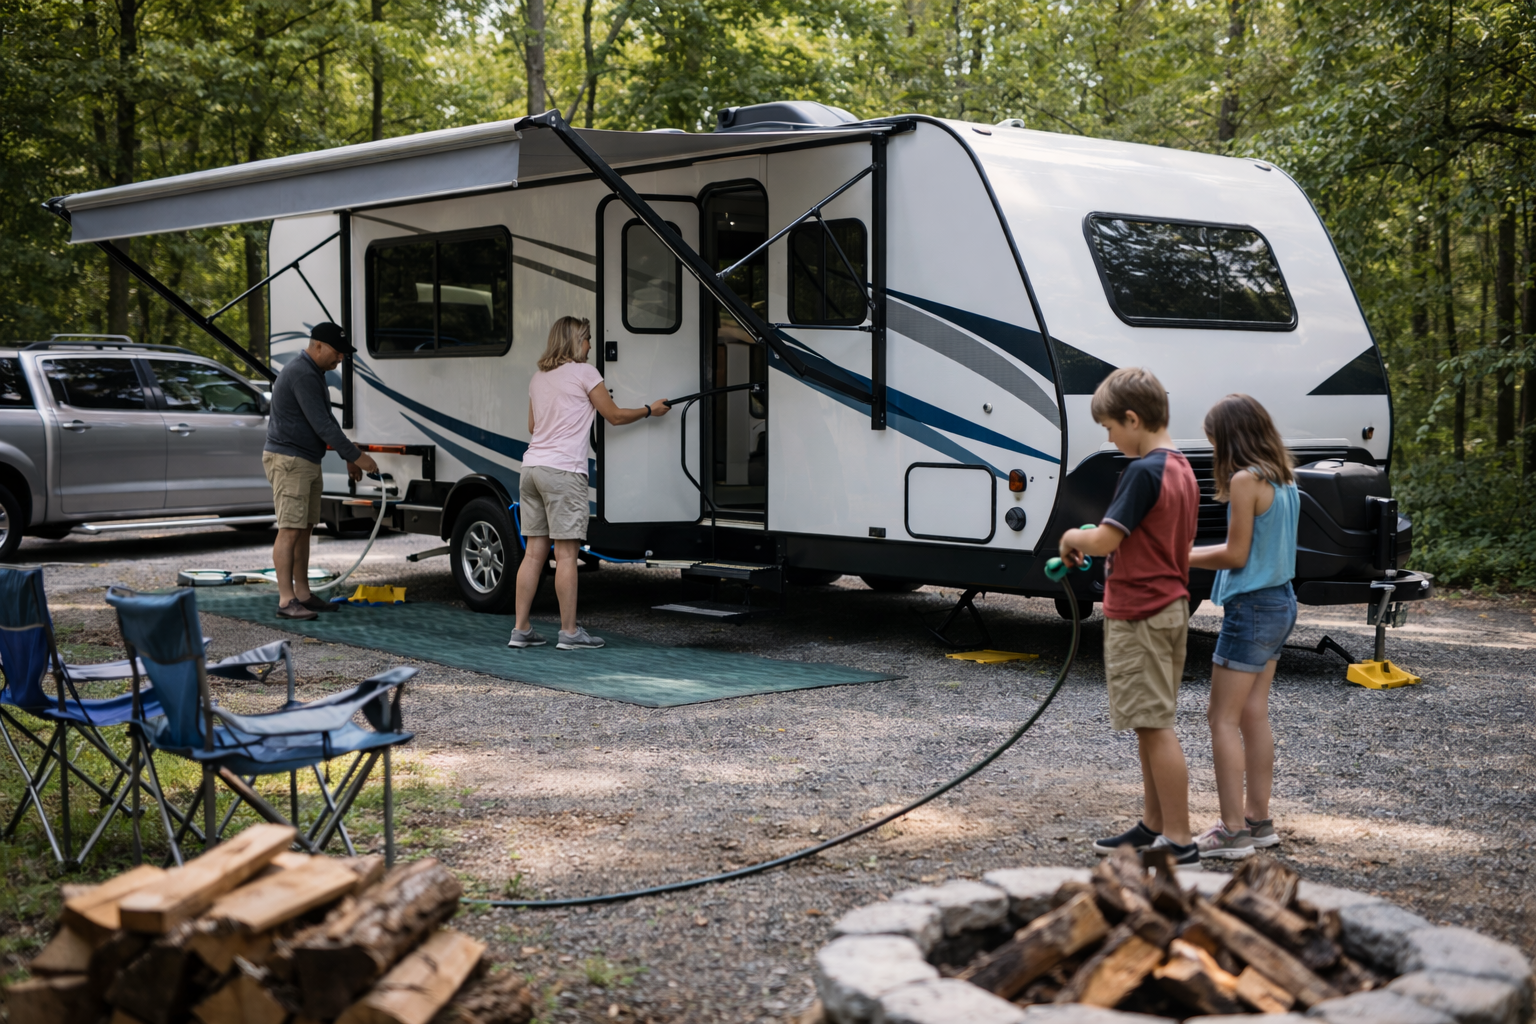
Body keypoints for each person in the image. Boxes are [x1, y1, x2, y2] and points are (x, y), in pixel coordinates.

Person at [1058, 367, 1201, 864]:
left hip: (1141, 611)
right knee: (1149, 721)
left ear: (1134, 418)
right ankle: (1152, 826)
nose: (1111, 438)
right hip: (1169, 607)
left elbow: (1105, 539)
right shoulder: (1181, 466)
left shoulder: (1144, 471)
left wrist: (1073, 537)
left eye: (1110, 428)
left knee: (1155, 725)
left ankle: (1179, 841)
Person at [509, 316, 670, 650]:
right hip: (563, 471)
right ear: (573, 342)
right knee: (567, 554)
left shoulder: (538, 378)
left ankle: (521, 629)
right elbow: (613, 416)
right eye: (586, 339)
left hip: (532, 468)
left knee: (534, 553)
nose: (590, 345)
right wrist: (648, 410)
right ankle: (569, 634)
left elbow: (531, 426)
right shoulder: (585, 373)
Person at [1188, 394, 1299, 860]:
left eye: (1214, 439)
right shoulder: (1284, 479)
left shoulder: (1243, 480)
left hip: (1252, 608)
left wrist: (1179, 555)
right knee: (1254, 714)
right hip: (1281, 604)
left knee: (1222, 718)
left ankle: (1232, 831)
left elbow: (1235, 554)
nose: (1213, 448)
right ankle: (1258, 820)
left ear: (1230, 438)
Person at [263, 322, 378, 621]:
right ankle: (286, 600)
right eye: (337, 352)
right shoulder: (302, 373)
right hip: (290, 461)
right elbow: (322, 425)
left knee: (304, 529)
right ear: (318, 346)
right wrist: (358, 456)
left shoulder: (314, 374)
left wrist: (347, 457)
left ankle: (302, 594)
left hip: (305, 460)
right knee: (290, 529)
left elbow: (326, 420)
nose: (340, 358)